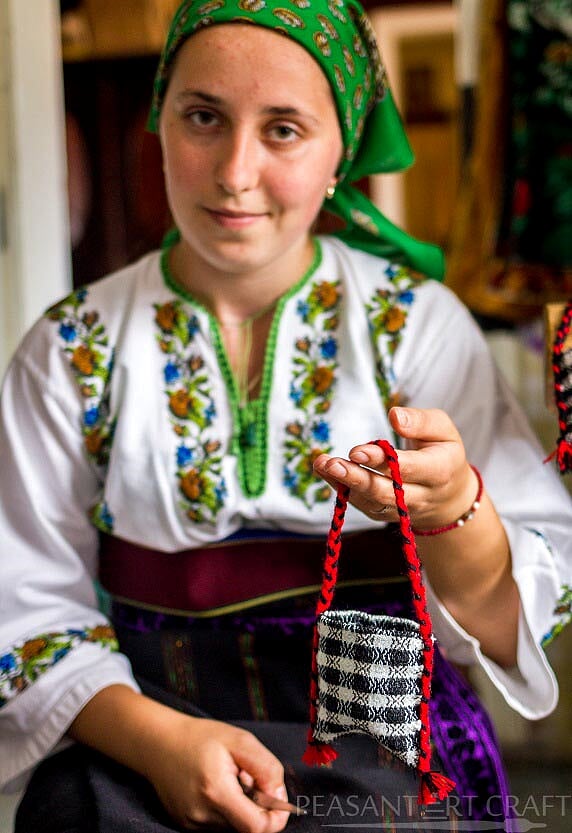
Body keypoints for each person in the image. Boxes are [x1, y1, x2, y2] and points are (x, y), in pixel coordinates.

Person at [1, 0, 571, 830]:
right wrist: (160, 741)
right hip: (141, 726)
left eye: (284, 130)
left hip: (384, 739)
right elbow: (21, 597)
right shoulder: (69, 346)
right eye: (203, 117)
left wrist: (455, 513)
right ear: (159, 121)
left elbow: (525, 603)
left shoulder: (414, 327)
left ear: (342, 150)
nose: (235, 173)